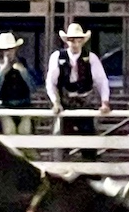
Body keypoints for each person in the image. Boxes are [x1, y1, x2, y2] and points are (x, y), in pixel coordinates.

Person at [45, 22, 110, 161]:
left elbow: (102, 81)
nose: (75, 43)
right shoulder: (57, 57)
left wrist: (105, 101)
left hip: (85, 104)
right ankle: (61, 173)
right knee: (61, 143)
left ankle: (90, 172)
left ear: (82, 41)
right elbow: (51, 82)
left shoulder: (91, 58)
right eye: (72, 40)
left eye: (78, 40)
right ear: (67, 41)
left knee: (89, 143)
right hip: (65, 105)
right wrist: (55, 102)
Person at [0, 31, 37, 140]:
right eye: (6, 50)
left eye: (10, 49)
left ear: (15, 49)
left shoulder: (24, 64)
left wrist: (23, 72)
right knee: (8, 130)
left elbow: (33, 87)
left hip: (24, 105)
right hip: (4, 106)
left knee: (25, 132)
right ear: (1, 51)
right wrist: (2, 72)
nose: (8, 52)